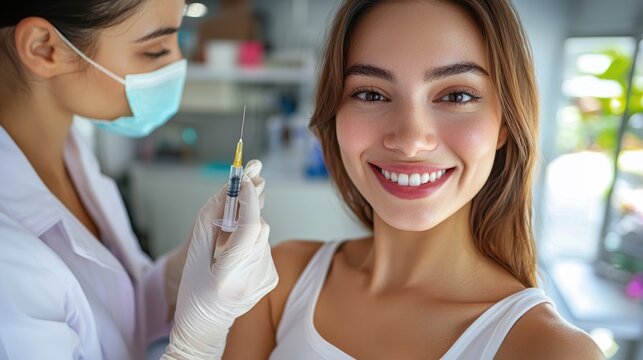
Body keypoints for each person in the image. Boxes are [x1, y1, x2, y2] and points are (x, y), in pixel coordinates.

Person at [222, 0, 605, 359]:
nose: (409, 141)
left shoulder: (550, 349)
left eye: (456, 96)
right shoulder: (280, 278)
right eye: (371, 94)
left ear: (505, 123)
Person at [0, 1, 277, 359]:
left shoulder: (70, 150)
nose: (178, 65)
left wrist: (171, 282)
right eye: (155, 50)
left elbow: (109, 312)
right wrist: (195, 345)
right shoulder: (8, 262)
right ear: (44, 48)